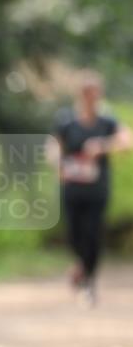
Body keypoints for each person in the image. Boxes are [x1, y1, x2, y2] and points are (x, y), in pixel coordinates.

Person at [52, 71, 131, 305]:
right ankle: (80, 265)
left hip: (97, 188)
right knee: (75, 234)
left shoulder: (107, 120)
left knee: (93, 233)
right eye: (86, 93)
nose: (90, 97)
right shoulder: (66, 119)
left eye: (94, 93)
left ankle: (89, 283)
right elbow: (54, 145)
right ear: (79, 94)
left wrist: (103, 146)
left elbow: (127, 141)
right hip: (72, 186)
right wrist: (58, 166)